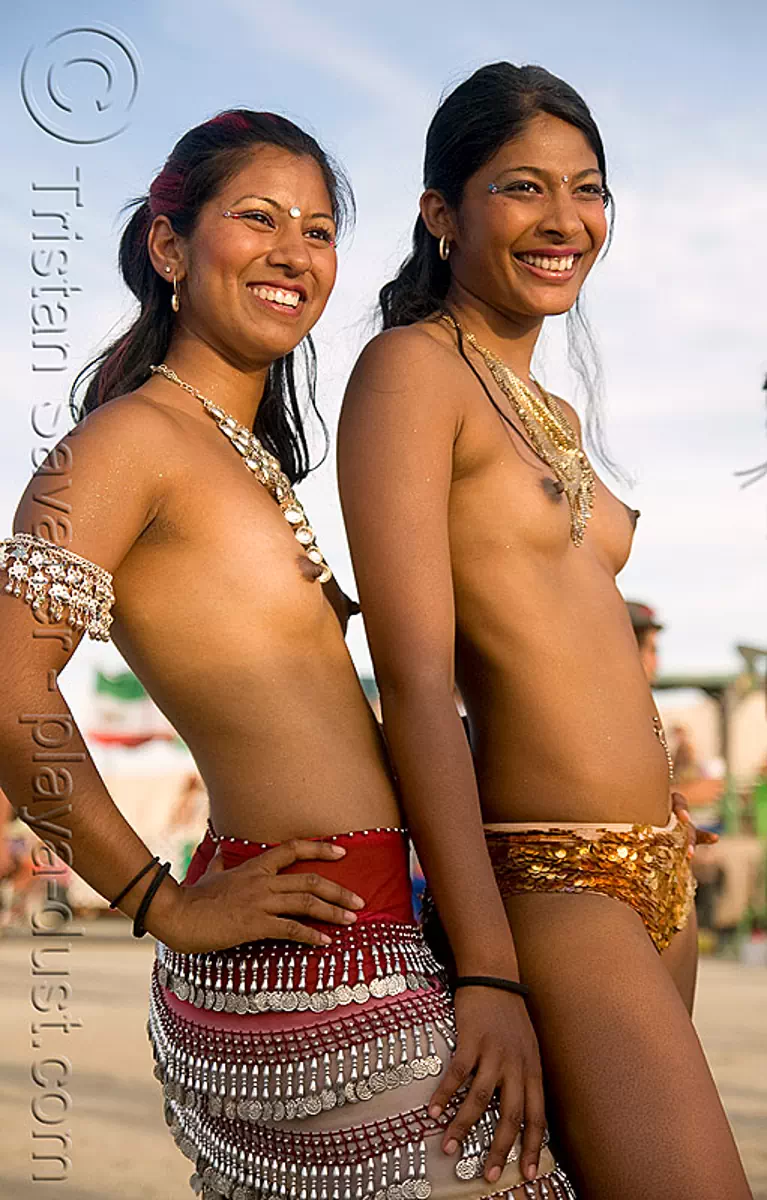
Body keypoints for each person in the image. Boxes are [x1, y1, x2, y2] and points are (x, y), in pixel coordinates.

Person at [0, 110, 571, 1200]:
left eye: (317, 229)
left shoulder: (239, 459)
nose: (293, 251)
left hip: (354, 941)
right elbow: (6, 676)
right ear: (170, 248)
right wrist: (157, 903)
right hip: (311, 976)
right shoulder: (129, 442)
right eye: (255, 217)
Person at [338, 63, 752, 1198]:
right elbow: (414, 679)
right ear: (442, 213)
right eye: (522, 187)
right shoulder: (408, 373)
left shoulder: (552, 411)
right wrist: (487, 971)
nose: (564, 219)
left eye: (587, 188)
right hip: (549, 884)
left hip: (654, 877)